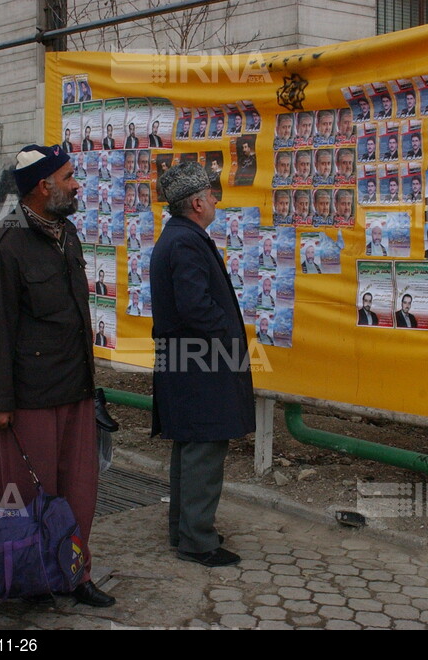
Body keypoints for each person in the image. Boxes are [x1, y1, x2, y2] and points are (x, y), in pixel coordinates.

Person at [0, 144, 114, 607]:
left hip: (74, 390)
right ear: (43, 186)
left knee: (78, 495)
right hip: (27, 400)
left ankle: (74, 576)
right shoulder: (3, 246)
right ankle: (29, 580)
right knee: (28, 498)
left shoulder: (67, 234)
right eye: (70, 176)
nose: (77, 184)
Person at [150, 161, 255, 567]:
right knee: (204, 449)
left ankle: (185, 529)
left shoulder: (178, 236)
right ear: (196, 203)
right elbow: (196, 305)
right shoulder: (186, 242)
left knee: (191, 446)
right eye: (212, 195)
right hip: (200, 363)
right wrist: (227, 336)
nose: (215, 200)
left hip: (186, 361)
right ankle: (197, 541)